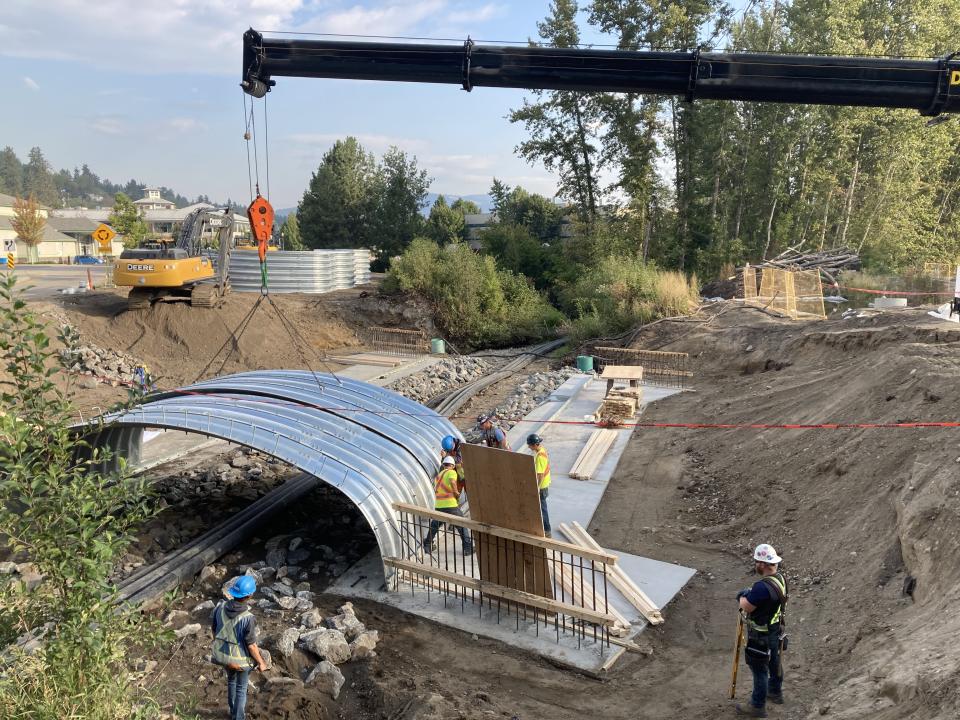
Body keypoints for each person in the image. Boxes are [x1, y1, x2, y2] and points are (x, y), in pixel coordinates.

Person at [735, 544, 788, 718]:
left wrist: (742, 597)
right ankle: (775, 692)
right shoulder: (780, 579)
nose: (755, 564)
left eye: (757, 562)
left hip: (760, 636)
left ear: (763, 564)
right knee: (774, 661)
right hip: (775, 630)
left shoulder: (760, 587)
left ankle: (757, 706)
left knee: (759, 670)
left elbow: (747, 607)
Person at [210, 575, 268, 720]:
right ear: (249, 595)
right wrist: (261, 662)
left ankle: (232, 711)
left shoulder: (220, 608)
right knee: (241, 689)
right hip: (240, 661)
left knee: (231, 681)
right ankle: (238, 717)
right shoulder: (248, 617)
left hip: (223, 657)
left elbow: (214, 630)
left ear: (233, 592)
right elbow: (252, 645)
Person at [423, 455, 474, 555]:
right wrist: (456, 492)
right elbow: (452, 482)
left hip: (439, 505)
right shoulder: (452, 472)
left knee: (435, 526)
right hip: (451, 505)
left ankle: (427, 545)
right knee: (462, 525)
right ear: (453, 465)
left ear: (444, 465)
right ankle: (467, 548)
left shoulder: (439, 475)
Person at [526, 433, 552, 537]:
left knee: (542, 509)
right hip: (544, 484)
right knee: (542, 507)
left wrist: (537, 488)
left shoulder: (540, 456)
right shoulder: (541, 450)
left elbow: (540, 475)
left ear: (535, 445)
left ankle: (547, 530)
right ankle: (545, 529)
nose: (528, 447)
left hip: (542, 486)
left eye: (529, 445)